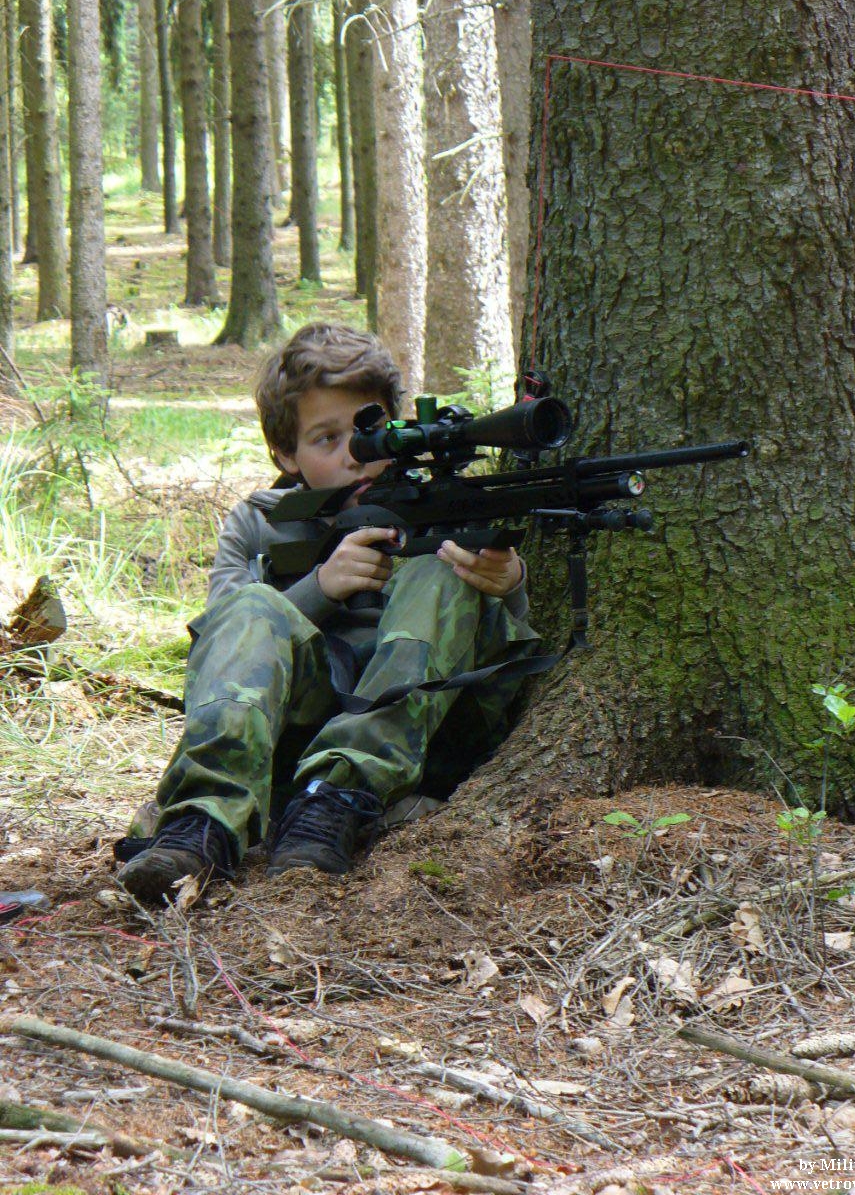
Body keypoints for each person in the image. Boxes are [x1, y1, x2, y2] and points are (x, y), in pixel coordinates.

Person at [116, 322, 540, 902]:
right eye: (326, 439)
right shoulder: (259, 523)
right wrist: (320, 588)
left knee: (441, 570)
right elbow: (222, 637)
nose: (356, 456)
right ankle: (203, 822)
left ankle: (335, 799)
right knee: (251, 604)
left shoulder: (445, 502)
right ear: (285, 453)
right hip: (291, 734)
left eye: (369, 431)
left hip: (425, 737)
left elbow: (506, 642)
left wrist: (510, 584)